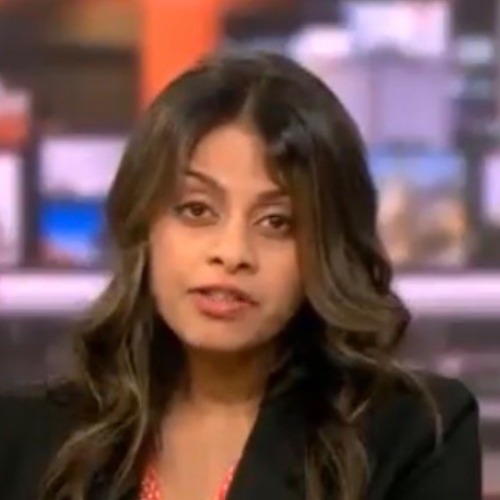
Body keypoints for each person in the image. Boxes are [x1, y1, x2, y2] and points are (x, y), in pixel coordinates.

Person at [0, 51, 481, 500]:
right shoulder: (29, 436)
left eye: (276, 222)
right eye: (197, 210)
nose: (232, 254)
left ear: (327, 247)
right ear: (144, 226)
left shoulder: (414, 434)